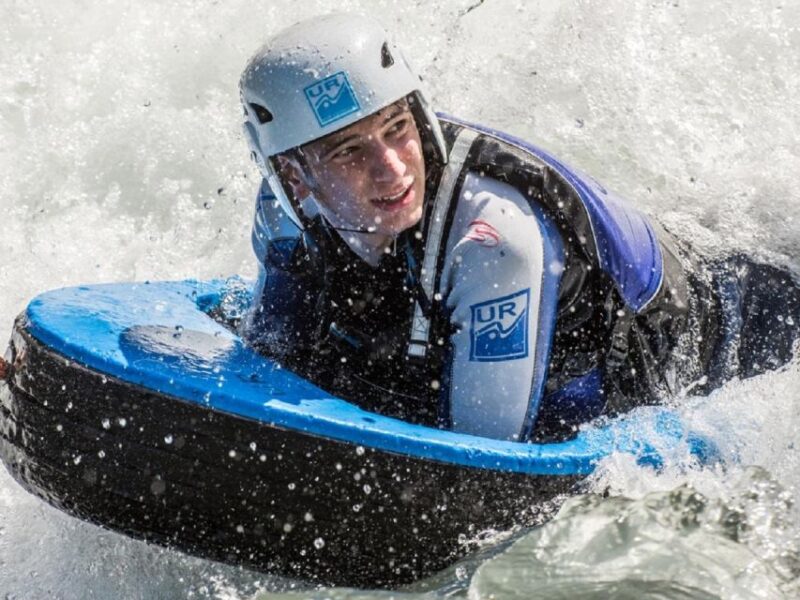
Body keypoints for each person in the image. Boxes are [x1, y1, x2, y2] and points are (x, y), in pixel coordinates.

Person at [238, 13, 800, 442]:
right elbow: (269, 366)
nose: (392, 168)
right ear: (294, 174)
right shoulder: (283, 209)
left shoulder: (493, 241)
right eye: (349, 152)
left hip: (744, 321)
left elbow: (479, 464)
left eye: (396, 129)